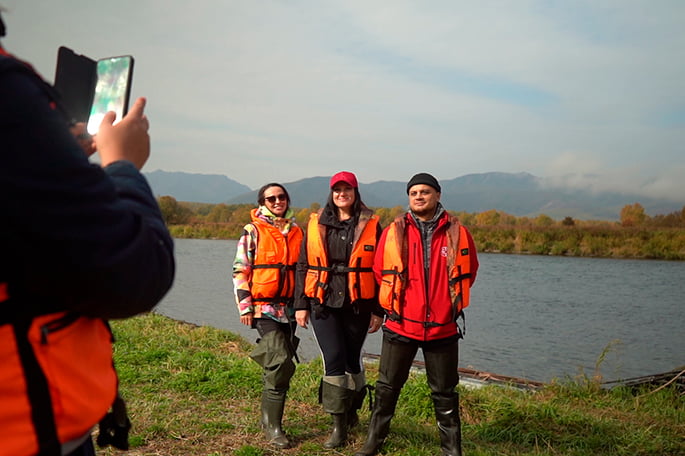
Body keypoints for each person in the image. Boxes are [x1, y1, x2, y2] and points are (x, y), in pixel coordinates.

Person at [1, 12, 175, 456]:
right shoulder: (8, 96)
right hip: (26, 430)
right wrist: (121, 165)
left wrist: (58, 157)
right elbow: (131, 271)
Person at [354, 173, 479, 456]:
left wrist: (445, 304)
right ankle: (373, 442)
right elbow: (378, 271)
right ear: (409, 198)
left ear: (437, 195)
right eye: (414, 193)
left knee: (445, 392)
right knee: (387, 388)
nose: (419, 196)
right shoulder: (394, 231)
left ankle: (451, 449)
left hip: (442, 328)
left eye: (425, 191)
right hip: (400, 325)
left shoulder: (458, 232)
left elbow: (469, 271)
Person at [294, 171, 384, 449]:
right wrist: (300, 304)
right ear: (331, 193)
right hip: (322, 302)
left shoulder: (372, 224)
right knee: (333, 358)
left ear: (356, 192)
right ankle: (338, 425)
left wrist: (379, 310)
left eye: (347, 189)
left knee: (353, 360)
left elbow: (383, 270)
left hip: (358, 303)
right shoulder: (315, 223)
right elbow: (302, 265)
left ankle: (353, 411)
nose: (342, 194)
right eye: (337, 189)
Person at [232, 183, 304, 449]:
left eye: (281, 197)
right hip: (263, 308)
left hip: (290, 310)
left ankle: (268, 417)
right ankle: (273, 427)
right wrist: (245, 307)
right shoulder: (252, 231)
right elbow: (241, 270)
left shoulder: (297, 231)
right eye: (271, 198)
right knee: (280, 359)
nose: (277, 201)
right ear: (262, 202)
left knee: (281, 365)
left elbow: (304, 270)